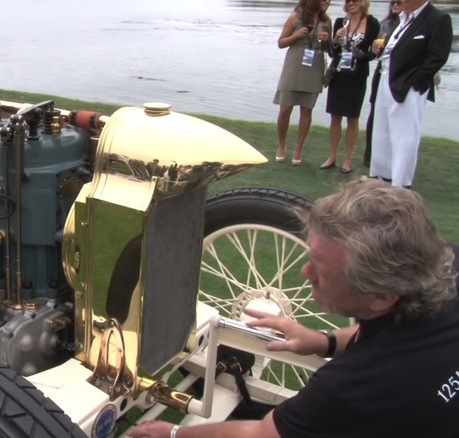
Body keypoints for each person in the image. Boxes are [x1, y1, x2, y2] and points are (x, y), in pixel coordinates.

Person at [128, 178, 459, 438]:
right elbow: (390, 328)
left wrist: (173, 432)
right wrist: (324, 342)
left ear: (381, 296)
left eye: (321, 269)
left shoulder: (356, 385)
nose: (306, 272)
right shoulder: (446, 265)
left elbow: (262, 433)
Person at [368, 0, 452, 188]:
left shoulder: (438, 19)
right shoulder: (402, 19)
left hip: (408, 87)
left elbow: (437, 57)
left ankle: (401, 185)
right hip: (385, 80)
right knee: (381, 133)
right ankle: (381, 178)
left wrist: (416, 83)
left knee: (404, 137)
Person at [321, 0, 379, 174]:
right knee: (335, 116)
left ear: (363, 2)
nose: (351, 3)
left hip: (357, 75)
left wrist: (363, 55)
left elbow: (374, 53)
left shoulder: (372, 23)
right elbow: (332, 52)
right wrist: (336, 39)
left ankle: (347, 160)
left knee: (352, 118)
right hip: (338, 75)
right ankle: (332, 156)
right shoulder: (340, 22)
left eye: (355, 0)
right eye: (348, 1)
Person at [273, 0, 332, 166]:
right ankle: (282, 146)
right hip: (294, 64)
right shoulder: (295, 17)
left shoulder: (327, 21)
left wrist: (327, 40)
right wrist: (296, 36)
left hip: (315, 65)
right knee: (285, 108)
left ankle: (299, 148)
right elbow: (281, 43)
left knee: (306, 109)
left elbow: (330, 49)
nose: (326, 1)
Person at [362, 0, 403, 168]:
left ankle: (395, 158)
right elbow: (374, 54)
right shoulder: (385, 23)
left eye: (399, 2)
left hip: (400, 73)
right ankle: (371, 156)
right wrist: (374, 48)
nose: (395, 4)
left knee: (397, 116)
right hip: (381, 72)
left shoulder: (409, 25)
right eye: (393, 2)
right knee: (375, 114)